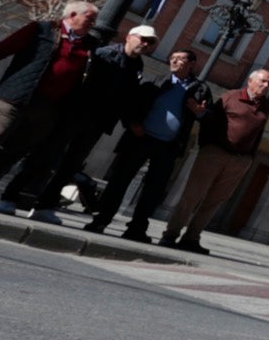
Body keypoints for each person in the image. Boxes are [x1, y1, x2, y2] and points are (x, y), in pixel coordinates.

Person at [0, 0, 98, 208]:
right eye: (89, 19)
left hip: (48, 108)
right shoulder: (41, 29)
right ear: (73, 14)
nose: (93, 24)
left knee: (12, 152)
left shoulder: (90, 45)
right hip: (15, 96)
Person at [11, 24, 154, 220]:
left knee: (70, 166)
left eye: (150, 42)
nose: (145, 44)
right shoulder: (104, 54)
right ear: (129, 37)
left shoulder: (137, 66)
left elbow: (124, 97)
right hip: (76, 115)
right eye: (142, 39)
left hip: (97, 123)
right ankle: (10, 196)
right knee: (45, 156)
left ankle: (44, 206)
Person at [84, 48, 210, 243]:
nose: (174, 61)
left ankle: (136, 229)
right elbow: (131, 104)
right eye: (172, 57)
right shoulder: (156, 80)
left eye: (180, 59)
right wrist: (133, 123)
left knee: (154, 189)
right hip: (140, 139)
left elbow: (208, 118)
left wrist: (200, 113)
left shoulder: (200, 89)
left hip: (168, 145)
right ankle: (101, 220)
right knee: (119, 181)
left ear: (192, 64)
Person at [159, 66, 269, 252]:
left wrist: (250, 157)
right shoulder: (231, 96)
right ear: (250, 81)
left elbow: (258, 132)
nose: (267, 85)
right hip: (215, 153)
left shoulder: (265, 106)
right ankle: (171, 234)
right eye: (263, 81)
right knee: (192, 195)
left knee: (215, 200)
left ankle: (191, 238)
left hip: (239, 160)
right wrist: (207, 145)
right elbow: (211, 119)